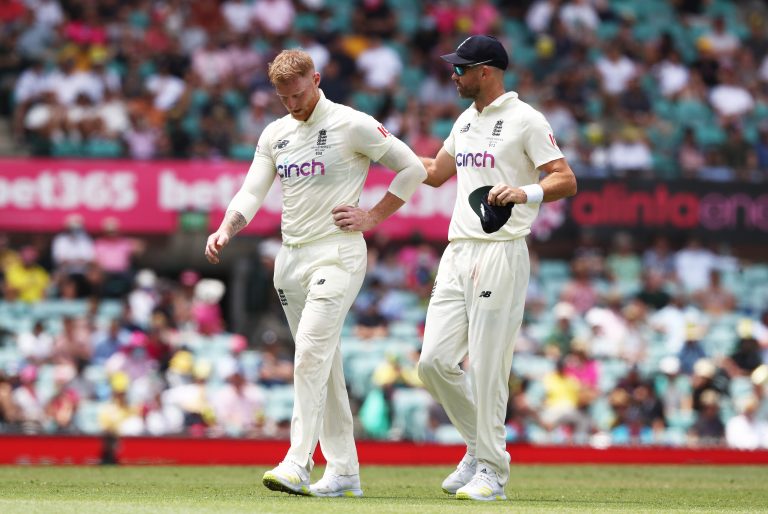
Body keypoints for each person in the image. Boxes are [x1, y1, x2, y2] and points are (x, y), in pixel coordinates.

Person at [204, 49, 426, 497]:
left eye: (299, 94)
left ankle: (297, 462)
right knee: (322, 363)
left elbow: (413, 167)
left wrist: (373, 216)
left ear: (317, 79)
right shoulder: (276, 133)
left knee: (308, 353)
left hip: (337, 254)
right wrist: (227, 227)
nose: (293, 104)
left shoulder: (352, 123)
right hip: (291, 260)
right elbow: (252, 189)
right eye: (284, 97)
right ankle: (344, 472)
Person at [415, 35, 577, 501]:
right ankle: (479, 446)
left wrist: (524, 192)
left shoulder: (526, 119)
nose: (454, 75)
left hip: (501, 250)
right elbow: (435, 172)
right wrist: (381, 150)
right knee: (433, 364)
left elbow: (565, 178)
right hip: (457, 251)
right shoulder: (466, 120)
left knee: (487, 365)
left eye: (462, 69)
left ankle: (492, 470)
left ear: (486, 70)